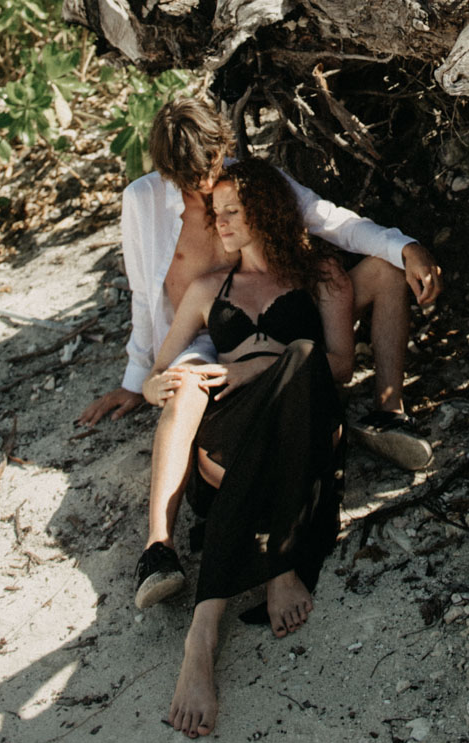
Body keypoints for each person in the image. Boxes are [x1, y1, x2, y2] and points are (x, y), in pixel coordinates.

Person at [75, 94, 443, 609]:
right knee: (183, 390)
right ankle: (157, 547)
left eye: (207, 168)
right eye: (186, 178)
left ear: (222, 147)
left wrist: (403, 246)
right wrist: (138, 379)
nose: (202, 186)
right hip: (203, 338)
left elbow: (329, 220)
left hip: (287, 315)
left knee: (383, 271)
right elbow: (144, 292)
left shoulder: (251, 182)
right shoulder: (142, 201)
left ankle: (387, 413)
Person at [145, 159, 352, 738]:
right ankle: (275, 566)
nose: (223, 224)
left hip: (306, 429)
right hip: (230, 436)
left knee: (304, 358)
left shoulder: (323, 275)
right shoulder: (209, 289)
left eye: (233, 211)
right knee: (281, 384)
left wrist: (261, 363)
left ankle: (205, 629)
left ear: (267, 209)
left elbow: (339, 366)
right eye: (217, 215)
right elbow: (158, 370)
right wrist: (155, 385)